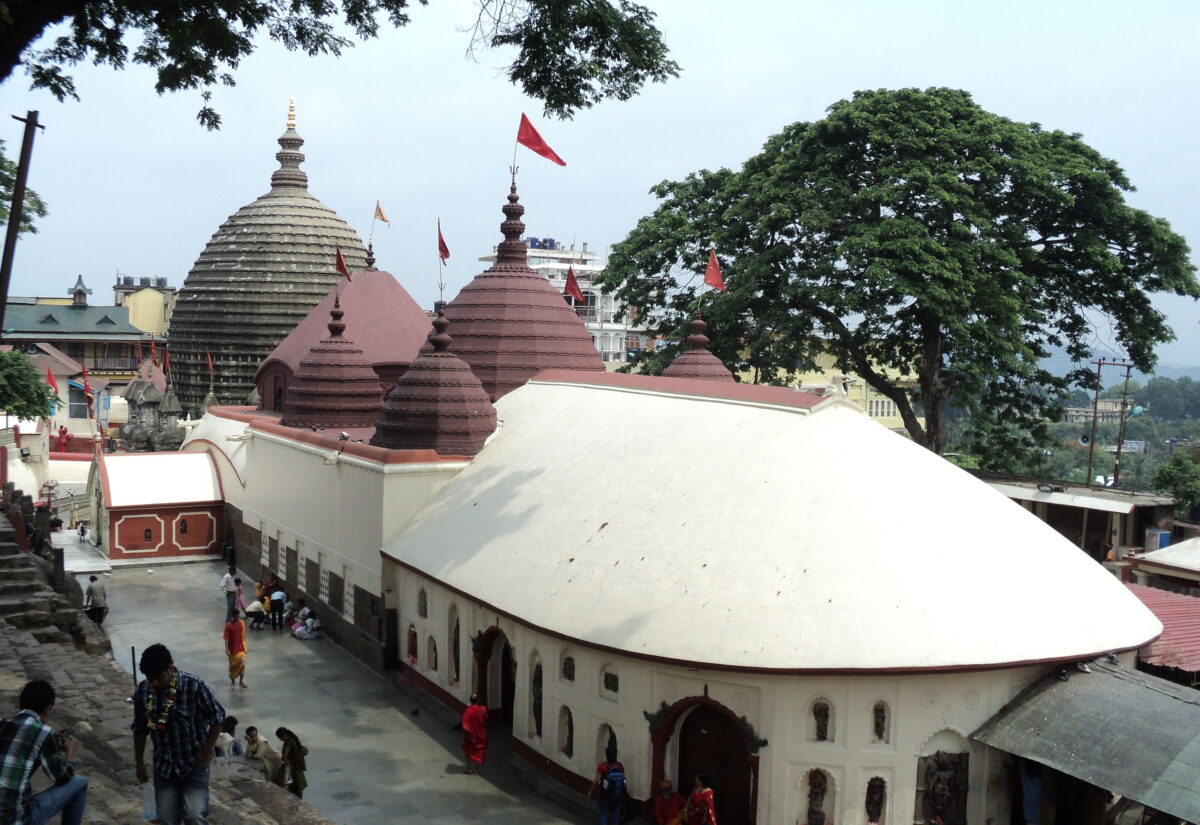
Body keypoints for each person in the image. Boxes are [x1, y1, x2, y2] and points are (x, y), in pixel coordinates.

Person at [132, 643, 225, 825]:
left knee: (195, 816)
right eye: (151, 678)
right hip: (164, 766)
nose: (155, 683)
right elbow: (139, 728)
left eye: (159, 677)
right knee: (166, 819)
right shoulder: (143, 691)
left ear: (170, 668)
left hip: (193, 762)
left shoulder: (193, 686)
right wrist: (139, 762)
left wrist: (206, 750)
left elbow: (217, 717)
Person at [0, 679, 88, 825]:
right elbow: (62, 778)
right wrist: (69, 752)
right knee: (79, 783)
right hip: (16, 820)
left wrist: (53, 746)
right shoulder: (44, 732)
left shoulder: (3, 724)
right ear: (48, 708)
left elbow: (19, 754)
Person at [587, 744, 626, 825]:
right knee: (616, 812)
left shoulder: (602, 766)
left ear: (606, 755)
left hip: (603, 793)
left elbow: (597, 781)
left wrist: (590, 791)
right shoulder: (620, 766)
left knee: (603, 813)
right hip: (617, 793)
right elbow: (623, 779)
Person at [275, 727, 308, 798]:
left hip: (292, 769)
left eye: (280, 738)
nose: (280, 740)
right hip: (298, 768)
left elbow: (284, 758)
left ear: (283, 736)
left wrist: (289, 761)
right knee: (298, 787)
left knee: (291, 786)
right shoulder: (294, 739)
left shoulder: (288, 743)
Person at [460, 694, 488, 775]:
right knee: (479, 752)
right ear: (478, 700)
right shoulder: (483, 709)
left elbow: (465, 724)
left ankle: (468, 768)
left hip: (470, 736)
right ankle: (477, 770)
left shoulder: (468, 711)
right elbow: (486, 720)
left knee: (467, 751)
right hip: (480, 735)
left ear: (470, 701)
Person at [222, 616, 247, 687]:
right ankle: (233, 678)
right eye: (236, 617)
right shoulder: (228, 626)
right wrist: (227, 649)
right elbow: (226, 638)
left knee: (242, 664)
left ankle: (241, 681)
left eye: (238, 616)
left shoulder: (241, 623)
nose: (237, 618)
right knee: (233, 666)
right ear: (233, 617)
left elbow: (243, 635)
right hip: (232, 650)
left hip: (241, 649)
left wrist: (245, 646)